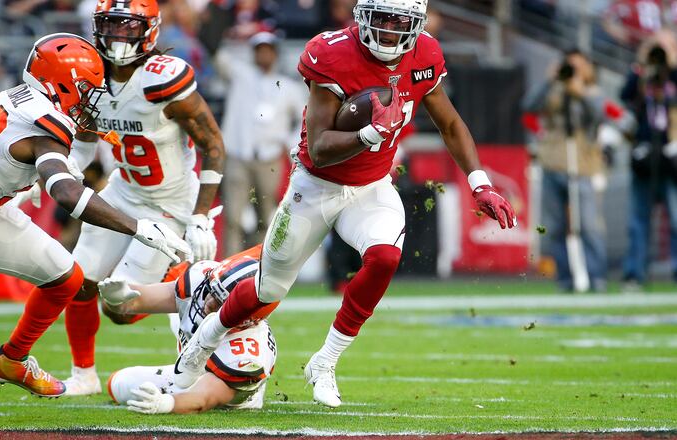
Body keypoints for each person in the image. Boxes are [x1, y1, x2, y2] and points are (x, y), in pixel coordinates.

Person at [174, 0, 517, 408]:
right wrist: (371, 134)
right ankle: (204, 339)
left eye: (401, 22)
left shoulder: (424, 52)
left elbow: (450, 123)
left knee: (385, 257)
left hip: (371, 186)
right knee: (267, 288)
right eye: (383, 19)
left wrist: (480, 184)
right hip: (316, 185)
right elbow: (319, 149)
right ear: (363, 16)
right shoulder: (332, 52)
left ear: (417, 24)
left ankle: (325, 361)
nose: (391, 30)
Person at [0, 33, 191, 399]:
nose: (89, 98)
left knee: (66, 278)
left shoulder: (22, 96)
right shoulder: (46, 122)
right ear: (62, 82)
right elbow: (65, 193)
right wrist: (138, 227)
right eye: (85, 88)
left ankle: (12, 360)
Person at [61, 0, 226, 396]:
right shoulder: (91, 76)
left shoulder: (163, 80)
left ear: (149, 30)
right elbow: (84, 142)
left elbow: (214, 145)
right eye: (111, 25)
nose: (118, 35)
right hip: (122, 190)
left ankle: (180, 284)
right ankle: (83, 374)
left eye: (127, 27)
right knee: (77, 281)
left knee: (118, 309)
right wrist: (53, 174)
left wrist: (200, 216)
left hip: (170, 204)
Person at [99, 245, 278, 414]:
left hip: (213, 388)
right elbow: (139, 300)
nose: (208, 302)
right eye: (211, 291)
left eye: (220, 303)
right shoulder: (200, 281)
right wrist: (118, 299)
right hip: (191, 361)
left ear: (246, 320)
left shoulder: (246, 354)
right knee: (116, 384)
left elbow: (204, 398)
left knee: (122, 384)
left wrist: (167, 403)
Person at [522, 49, 610, 292]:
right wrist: (550, 80)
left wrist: (579, 93)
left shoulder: (593, 93)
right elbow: (529, 105)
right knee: (555, 226)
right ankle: (565, 277)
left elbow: (600, 115)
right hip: (552, 162)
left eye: (578, 67)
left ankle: (596, 276)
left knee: (589, 225)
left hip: (583, 166)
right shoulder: (553, 90)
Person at [217, 31, 306, 257]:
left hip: (269, 158)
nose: (264, 54)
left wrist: (288, 140)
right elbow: (218, 56)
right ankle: (228, 269)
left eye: (268, 50)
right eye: (259, 50)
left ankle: (256, 265)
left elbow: (305, 118)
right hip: (238, 155)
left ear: (275, 54)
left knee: (265, 217)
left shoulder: (288, 87)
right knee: (233, 218)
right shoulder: (240, 75)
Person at [620, 33, 677, 289]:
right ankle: (634, 273)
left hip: (672, 153)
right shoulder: (642, 74)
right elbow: (626, 94)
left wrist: (671, 62)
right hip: (644, 153)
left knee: (676, 218)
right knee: (638, 220)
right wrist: (642, 64)